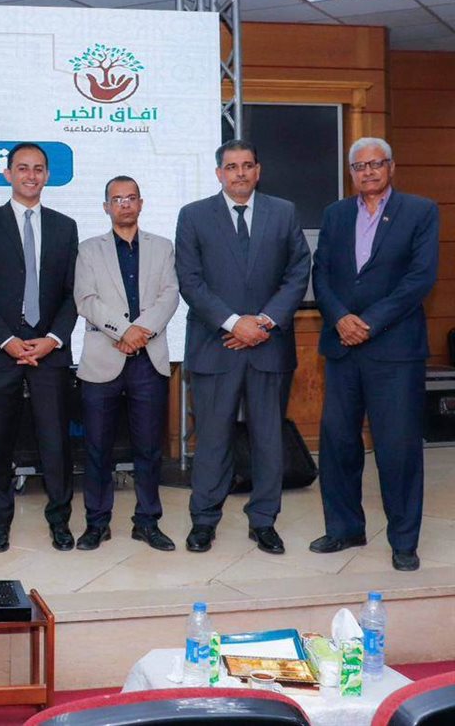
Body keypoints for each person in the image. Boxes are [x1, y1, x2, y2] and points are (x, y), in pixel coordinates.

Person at [175, 139, 310, 555]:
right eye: (231, 167)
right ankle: (204, 521)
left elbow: (298, 271)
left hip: (269, 345)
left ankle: (264, 521)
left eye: (247, 165)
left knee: (268, 439)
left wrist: (264, 322)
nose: (240, 173)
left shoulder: (283, 212)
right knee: (213, 439)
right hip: (216, 344)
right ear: (219, 173)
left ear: (258, 171)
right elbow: (190, 280)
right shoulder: (194, 215)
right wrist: (235, 323)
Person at [310, 137, 438, 572]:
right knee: (338, 443)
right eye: (359, 166)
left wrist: (368, 322)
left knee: (398, 449)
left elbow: (420, 278)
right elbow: (321, 275)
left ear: (391, 167)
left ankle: (403, 541)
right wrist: (341, 318)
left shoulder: (420, 211)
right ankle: (345, 528)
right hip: (342, 346)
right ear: (351, 172)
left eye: (376, 164)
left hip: (394, 349)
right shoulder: (335, 214)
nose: (368, 172)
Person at [0, 142, 79, 553]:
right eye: (23, 168)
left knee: (56, 443)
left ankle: (59, 521)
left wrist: (52, 340)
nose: (31, 175)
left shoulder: (65, 226)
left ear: (47, 175)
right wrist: (8, 341)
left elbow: (73, 292)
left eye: (38, 168)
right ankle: (0, 522)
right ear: (8, 174)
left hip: (50, 352)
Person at [74, 176, 180, 551]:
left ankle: (147, 522)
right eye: (117, 199)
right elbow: (86, 299)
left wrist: (141, 332)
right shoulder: (89, 249)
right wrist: (124, 330)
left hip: (148, 360)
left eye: (131, 198)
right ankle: (96, 523)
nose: (125, 205)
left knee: (149, 448)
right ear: (106, 207)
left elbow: (170, 295)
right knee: (97, 448)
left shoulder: (163, 247)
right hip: (104, 357)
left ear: (141, 203)